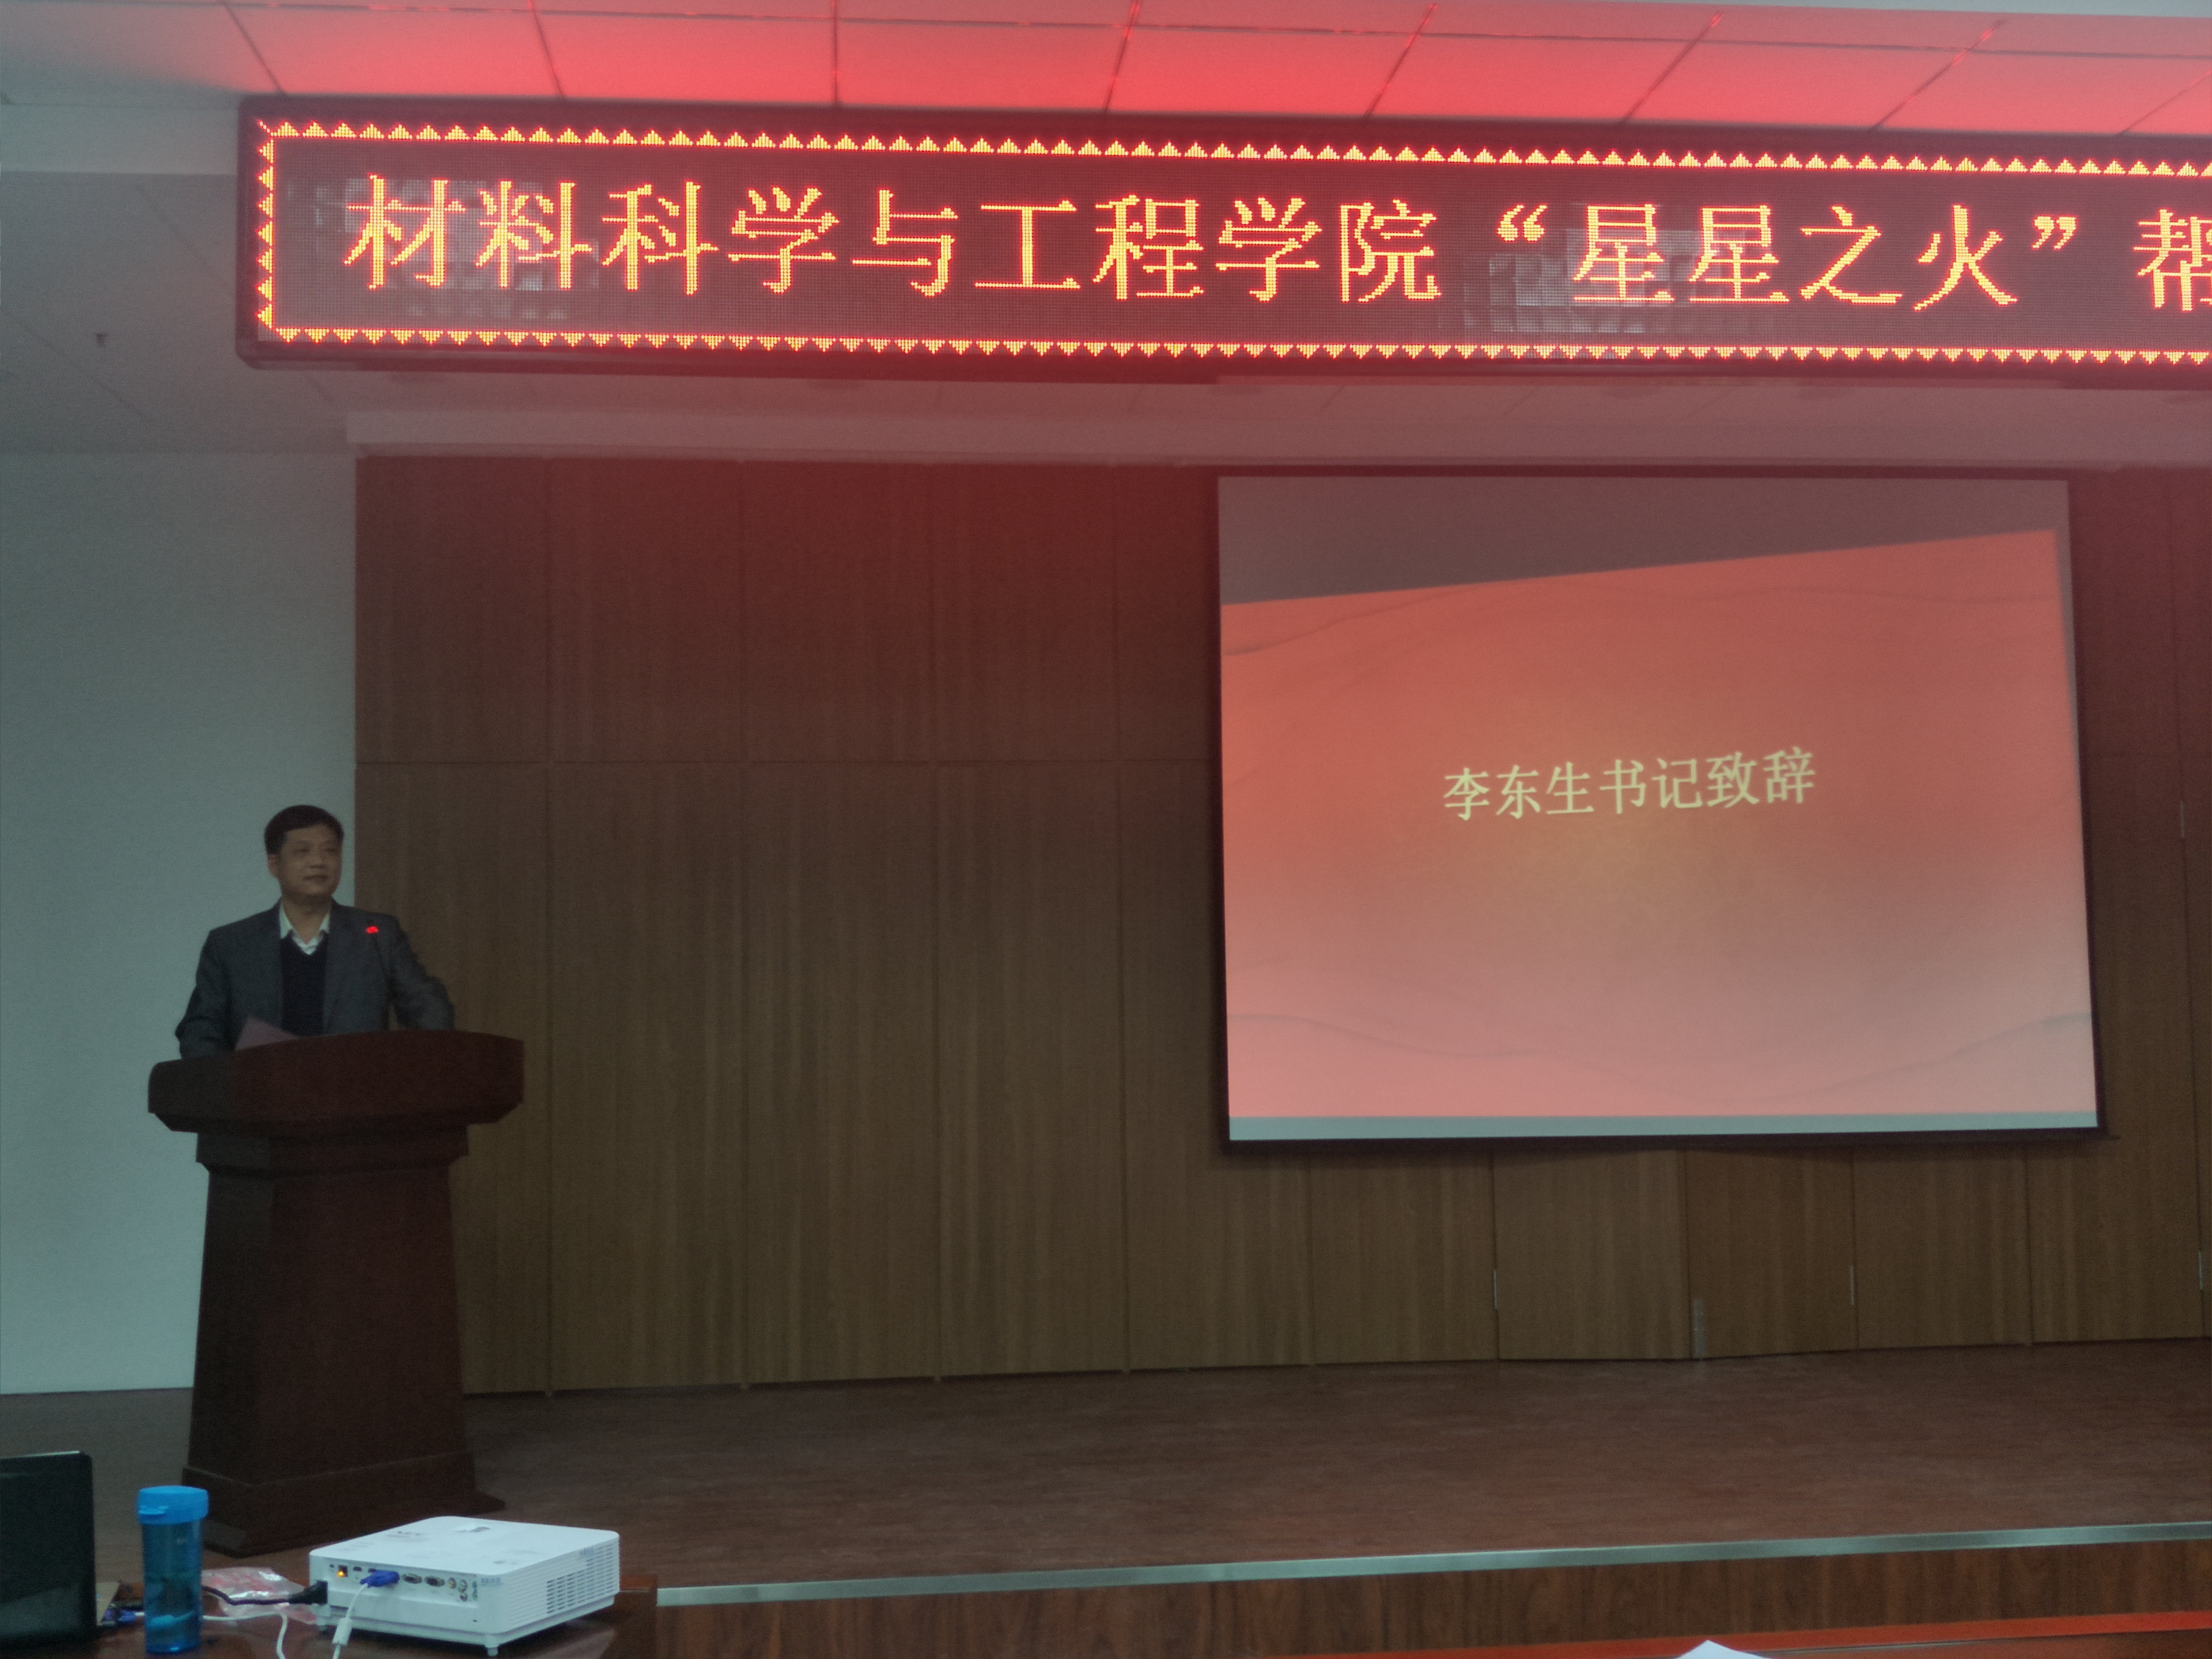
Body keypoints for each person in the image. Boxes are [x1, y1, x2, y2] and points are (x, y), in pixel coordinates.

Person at [175, 805, 454, 1057]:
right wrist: (229, 1085)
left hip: (358, 1090)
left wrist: (412, 1069)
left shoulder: (378, 936)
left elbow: (427, 1007)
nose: (319, 862)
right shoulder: (232, 944)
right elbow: (201, 1030)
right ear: (274, 865)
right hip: (263, 1091)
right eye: (303, 851)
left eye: (330, 851)